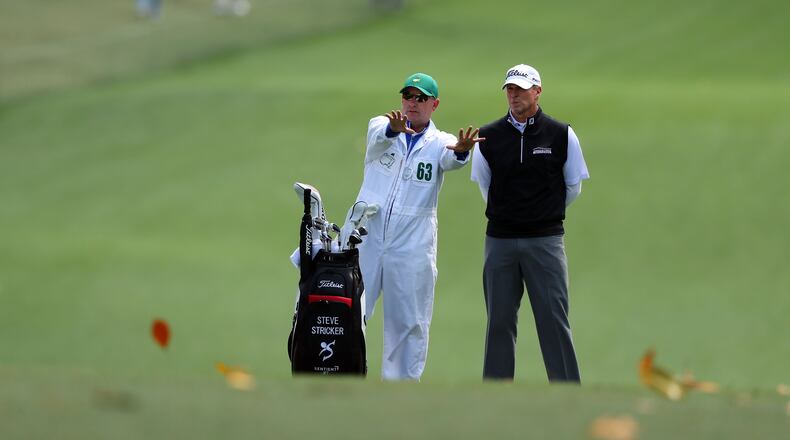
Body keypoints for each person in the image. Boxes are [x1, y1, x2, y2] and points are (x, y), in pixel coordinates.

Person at [351, 72, 483, 381]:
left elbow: (452, 159)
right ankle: (341, 376)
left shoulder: (441, 142)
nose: (413, 103)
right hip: (367, 235)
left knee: (408, 320)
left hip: (412, 244)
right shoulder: (380, 126)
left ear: (434, 104)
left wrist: (463, 151)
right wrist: (391, 128)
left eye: (421, 98)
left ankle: (399, 392)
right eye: (408, 96)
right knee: (349, 311)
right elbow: (378, 136)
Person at [471, 64, 589, 382]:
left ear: (537, 91)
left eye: (520, 89)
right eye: (510, 89)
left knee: (553, 319)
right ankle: (496, 394)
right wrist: (510, 213)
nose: (514, 95)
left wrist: (542, 213)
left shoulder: (561, 134)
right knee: (499, 321)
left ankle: (566, 391)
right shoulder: (488, 137)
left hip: (546, 241)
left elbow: (572, 186)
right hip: (500, 241)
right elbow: (485, 186)